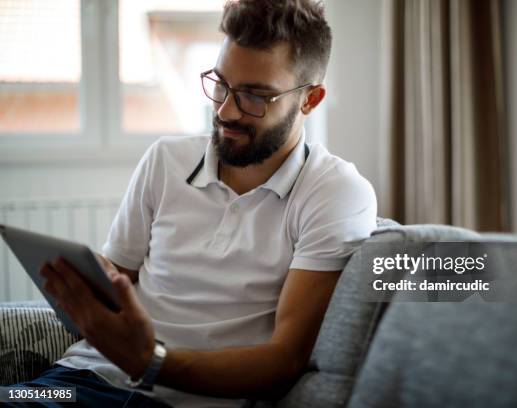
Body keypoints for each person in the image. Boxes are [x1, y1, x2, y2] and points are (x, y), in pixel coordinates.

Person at [8, 0, 377, 406]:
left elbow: (284, 360)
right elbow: (119, 278)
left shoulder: (333, 192)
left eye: (254, 97)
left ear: (310, 99)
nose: (224, 110)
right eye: (220, 83)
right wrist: (83, 283)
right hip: (79, 378)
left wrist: (150, 362)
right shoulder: (166, 160)